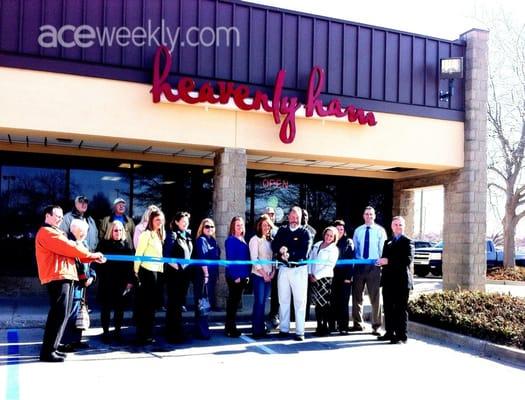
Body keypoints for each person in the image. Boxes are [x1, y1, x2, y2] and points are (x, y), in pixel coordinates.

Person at [35, 205, 105, 362]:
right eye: (57, 216)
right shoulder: (47, 232)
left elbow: (73, 252)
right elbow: (68, 248)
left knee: (62, 314)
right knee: (58, 314)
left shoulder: (56, 232)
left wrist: (91, 257)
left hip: (64, 275)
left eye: (61, 216)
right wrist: (91, 255)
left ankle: (53, 347)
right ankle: (47, 352)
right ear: (47, 216)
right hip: (57, 277)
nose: (60, 219)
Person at [271, 206, 311, 341]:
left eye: (297, 217)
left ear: (301, 218)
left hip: (299, 270)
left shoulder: (305, 233)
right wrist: (280, 251)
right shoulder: (282, 231)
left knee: (300, 302)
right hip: (283, 269)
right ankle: (284, 329)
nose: (294, 219)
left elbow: (304, 253)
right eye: (292, 217)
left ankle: (300, 331)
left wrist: (290, 254)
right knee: (283, 300)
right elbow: (274, 246)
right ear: (288, 217)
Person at [59, 219, 97, 352]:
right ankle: (67, 342)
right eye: (84, 231)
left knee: (80, 312)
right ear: (78, 231)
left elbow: (91, 262)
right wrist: (83, 279)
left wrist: (92, 276)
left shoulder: (84, 243)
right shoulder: (69, 243)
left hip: (83, 286)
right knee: (71, 313)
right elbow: (73, 265)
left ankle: (76, 340)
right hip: (75, 285)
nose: (86, 233)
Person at [376, 216, 415, 344]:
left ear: (404, 226)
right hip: (388, 281)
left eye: (400, 225)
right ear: (392, 227)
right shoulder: (388, 241)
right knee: (388, 308)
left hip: (401, 282)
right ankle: (389, 332)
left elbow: (407, 260)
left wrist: (388, 261)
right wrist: (381, 262)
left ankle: (401, 336)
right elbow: (384, 258)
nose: (398, 227)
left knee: (400, 309)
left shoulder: (408, 242)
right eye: (395, 224)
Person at [95, 220, 134, 344]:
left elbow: (131, 266)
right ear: (111, 231)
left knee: (119, 309)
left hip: (121, 283)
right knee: (105, 309)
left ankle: (117, 332)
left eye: (120, 230)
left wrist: (130, 281)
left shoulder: (127, 245)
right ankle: (105, 332)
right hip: (106, 282)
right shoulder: (103, 245)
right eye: (116, 230)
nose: (118, 232)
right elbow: (97, 264)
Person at [352, 206, 387, 335]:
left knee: (375, 297)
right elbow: (355, 249)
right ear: (363, 216)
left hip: (374, 267)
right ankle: (357, 323)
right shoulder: (358, 231)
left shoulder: (380, 231)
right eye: (366, 214)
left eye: (371, 214)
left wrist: (380, 263)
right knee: (357, 296)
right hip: (359, 266)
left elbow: (383, 249)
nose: (369, 216)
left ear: (374, 216)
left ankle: (376, 326)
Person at [133, 209, 165, 345]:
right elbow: (139, 253)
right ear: (151, 220)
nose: (160, 222)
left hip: (156, 273)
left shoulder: (158, 235)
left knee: (152, 306)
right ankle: (142, 334)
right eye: (157, 220)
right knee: (145, 306)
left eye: (161, 220)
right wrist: (135, 272)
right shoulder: (146, 234)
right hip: (146, 272)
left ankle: (148, 333)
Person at [163, 211, 193, 343]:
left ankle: (178, 330)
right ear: (176, 222)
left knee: (180, 304)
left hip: (184, 276)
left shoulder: (187, 236)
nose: (185, 223)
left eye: (187, 221)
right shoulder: (172, 235)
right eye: (183, 221)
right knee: (173, 304)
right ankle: (172, 333)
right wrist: (179, 268)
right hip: (174, 275)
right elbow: (167, 256)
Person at [308, 226, 339, 336]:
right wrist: (310, 273)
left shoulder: (334, 249)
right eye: (327, 234)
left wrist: (316, 276)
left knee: (324, 304)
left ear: (334, 237)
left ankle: (325, 327)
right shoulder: (317, 245)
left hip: (325, 278)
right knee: (317, 304)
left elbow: (329, 266)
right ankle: (319, 325)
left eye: (331, 236)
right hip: (313, 278)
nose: (328, 237)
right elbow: (311, 259)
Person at [249, 214, 276, 338]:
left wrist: (273, 272)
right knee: (259, 302)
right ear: (259, 226)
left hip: (269, 276)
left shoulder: (270, 241)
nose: (266, 228)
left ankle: (261, 327)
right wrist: (264, 274)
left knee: (264, 302)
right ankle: (256, 329)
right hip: (259, 276)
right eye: (264, 225)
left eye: (268, 226)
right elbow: (255, 259)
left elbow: (273, 258)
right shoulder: (255, 239)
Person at [193, 218, 220, 339]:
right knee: (202, 304)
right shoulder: (201, 240)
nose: (210, 229)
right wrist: (206, 275)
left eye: (212, 227)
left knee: (206, 303)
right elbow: (202, 258)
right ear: (202, 228)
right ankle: (202, 332)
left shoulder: (213, 240)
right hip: (203, 277)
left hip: (212, 276)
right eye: (207, 226)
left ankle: (201, 329)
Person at [224, 216, 251, 337]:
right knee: (233, 303)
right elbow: (230, 259)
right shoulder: (230, 240)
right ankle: (230, 328)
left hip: (243, 277)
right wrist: (236, 277)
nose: (240, 227)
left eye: (241, 225)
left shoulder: (243, 239)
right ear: (233, 227)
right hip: (234, 277)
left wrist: (247, 275)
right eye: (237, 225)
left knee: (235, 302)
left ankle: (229, 327)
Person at [331, 219, 355, 334]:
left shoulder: (348, 242)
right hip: (332, 276)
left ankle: (343, 326)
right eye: (338, 229)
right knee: (333, 301)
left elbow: (351, 260)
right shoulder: (331, 241)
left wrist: (348, 277)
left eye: (342, 229)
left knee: (343, 302)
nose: (340, 231)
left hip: (344, 276)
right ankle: (332, 325)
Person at [265, 206, 280, 329]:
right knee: (261, 295)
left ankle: (273, 315)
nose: (270, 216)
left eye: (272, 214)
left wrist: (275, 269)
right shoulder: (259, 230)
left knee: (275, 293)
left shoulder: (278, 231)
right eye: (268, 214)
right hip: (261, 269)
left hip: (275, 268)